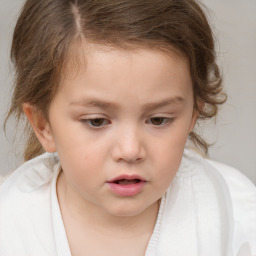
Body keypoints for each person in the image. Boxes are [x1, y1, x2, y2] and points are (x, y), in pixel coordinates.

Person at [0, 0, 255, 255]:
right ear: (43, 125)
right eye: (97, 121)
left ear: (192, 114)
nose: (130, 150)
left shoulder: (236, 213)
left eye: (158, 120)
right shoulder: (11, 224)